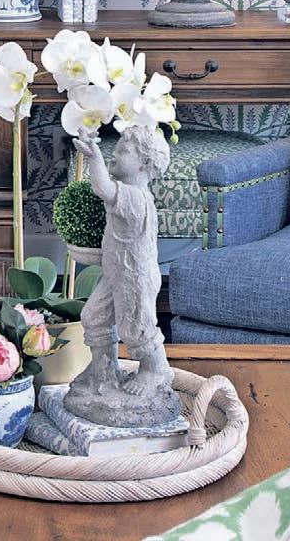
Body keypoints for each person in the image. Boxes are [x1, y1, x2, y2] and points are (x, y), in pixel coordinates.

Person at [71, 125, 172, 398]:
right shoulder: (129, 193)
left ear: (145, 164)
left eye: (124, 151)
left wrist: (94, 156)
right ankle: (103, 369)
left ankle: (156, 370)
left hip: (135, 278)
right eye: (115, 149)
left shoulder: (135, 197)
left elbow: (102, 187)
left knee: (136, 328)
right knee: (93, 317)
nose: (114, 154)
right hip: (117, 272)